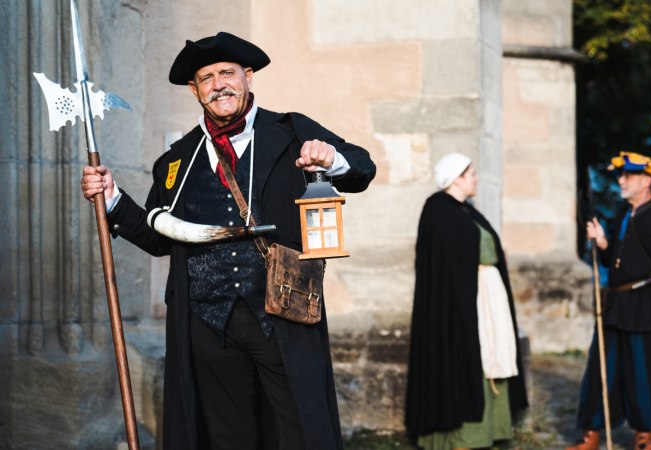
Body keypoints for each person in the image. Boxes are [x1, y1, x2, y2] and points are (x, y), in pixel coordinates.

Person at [80, 32, 376, 449]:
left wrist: (331, 158)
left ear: (247, 77)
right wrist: (112, 197)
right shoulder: (176, 160)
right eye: (206, 78)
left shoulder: (290, 132)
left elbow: (363, 167)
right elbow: (158, 236)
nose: (219, 84)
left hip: (280, 312)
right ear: (195, 89)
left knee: (299, 430)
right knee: (225, 435)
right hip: (206, 320)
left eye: (227, 73)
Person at [566, 152, 651, 450]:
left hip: (647, 305)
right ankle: (592, 432)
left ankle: (644, 436)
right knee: (602, 368)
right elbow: (618, 261)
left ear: (647, 180)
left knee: (644, 371)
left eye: (628, 176)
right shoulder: (622, 213)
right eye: (621, 176)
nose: (621, 181)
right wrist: (602, 241)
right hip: (616, 304)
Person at [405, 153, 528, 450]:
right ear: (457, 178)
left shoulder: (467, 212)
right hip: (460, 303)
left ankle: (493, 429)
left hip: (487, 297)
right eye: (471, 173)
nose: (476, 178)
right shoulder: (438, 211)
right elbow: (442, 267)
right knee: (469, 356)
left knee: (491, 355)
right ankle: (462, 438)